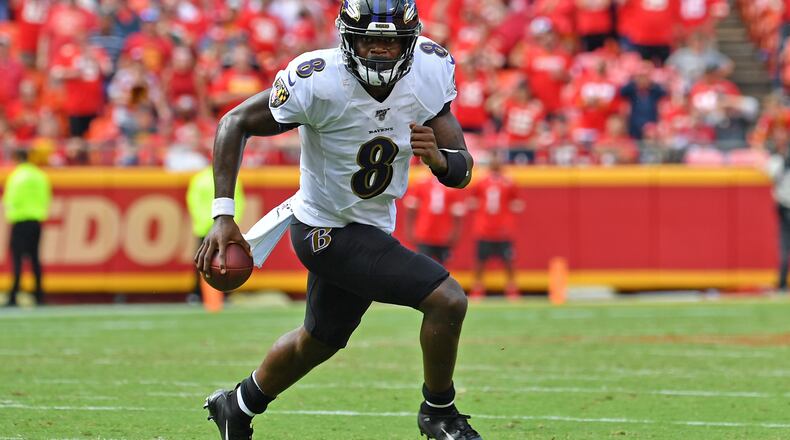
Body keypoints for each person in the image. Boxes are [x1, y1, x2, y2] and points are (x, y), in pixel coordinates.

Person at [194, 0, 481, 439]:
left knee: (319, 341)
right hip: (323, 229)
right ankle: (438, 412)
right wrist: (222, 215)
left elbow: (462, 170)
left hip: (371, 226)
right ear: (348, 39)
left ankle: (237, 405)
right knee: (447, 300)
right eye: (370, 40)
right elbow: (234, 123)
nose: (380, 51)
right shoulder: (317, 81)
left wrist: (440, 160)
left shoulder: (429, 70)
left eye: (390, 42)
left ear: (409, 41)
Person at [468, 150, 524, 300]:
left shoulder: (508, 181)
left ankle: (511, 288)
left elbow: (517, 202)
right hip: (484, 228)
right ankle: (478, 288)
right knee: (480, 261)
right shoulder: (482, 181)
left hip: (503, 228)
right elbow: (472, 200)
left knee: (508, 261)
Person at [186, 165, 245, 303]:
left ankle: (216, 294)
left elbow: (193, 201)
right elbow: (194, 201)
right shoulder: (230, 178)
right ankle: (199, 292)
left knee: (215, 261)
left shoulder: (200, 178)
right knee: (213, 261)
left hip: (213, 227)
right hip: (214, 228)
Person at [3, 148, 52, 306]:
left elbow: (10, 199)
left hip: (20, 220)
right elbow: (46, 196)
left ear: (17, 158)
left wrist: (11, 213)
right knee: (35, 259)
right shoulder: (39, 175)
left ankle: (14, 295)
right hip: (36, 220)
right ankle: (39, 294)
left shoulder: (16, 177)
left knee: (17, 260)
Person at [403, 172, 466, 265]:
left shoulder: (452, 187)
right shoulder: (421, 184)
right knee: (422, 265)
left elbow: (457, 215)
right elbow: (411, 211)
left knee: (442, 267)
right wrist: (410, 230)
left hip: (444, 235)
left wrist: (455, 234)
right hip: (424, 234)